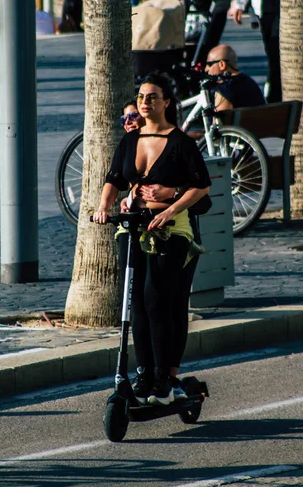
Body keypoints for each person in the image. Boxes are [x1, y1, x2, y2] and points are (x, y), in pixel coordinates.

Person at [93, 72, 210, 406]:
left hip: (171, 230)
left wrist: (171, 206)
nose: (145, 103)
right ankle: (143, 373)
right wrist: (103, 207)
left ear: (167, 103)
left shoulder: (181, 143)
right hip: (132, 228)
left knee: (156, 298)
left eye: (152, 97)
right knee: (138, 304)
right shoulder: (130, 140)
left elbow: (201, 186)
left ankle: (164, 377)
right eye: (142, 97)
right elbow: (113, 178)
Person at [205, 44, 266, 110]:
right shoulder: (250, 82)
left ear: (222, 64)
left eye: (209, 64)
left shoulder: (224, 91)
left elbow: (221, 120)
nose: (206, 69)